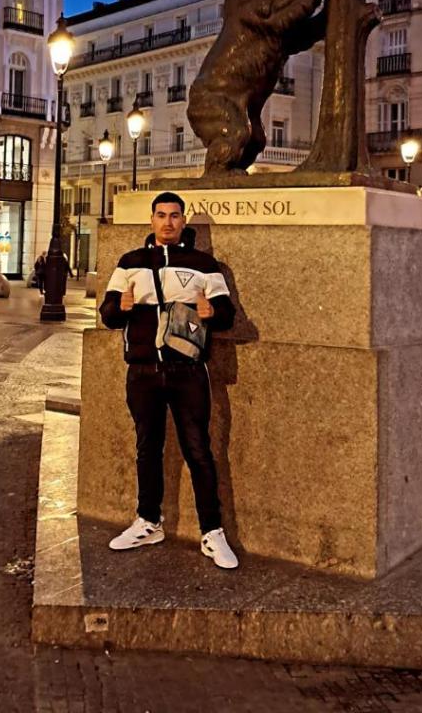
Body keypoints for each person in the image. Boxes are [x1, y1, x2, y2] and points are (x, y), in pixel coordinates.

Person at [99, 191, 239, 569]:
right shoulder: (130, 263)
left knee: (199, 450)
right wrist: (120, 306)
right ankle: (148, 521)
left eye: (175, 216)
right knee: (148, 447)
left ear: (183, 221)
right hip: (143, 372)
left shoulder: (204, 265)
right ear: (151, 220)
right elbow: (107, 314)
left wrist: (212, 311)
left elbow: (227, 314)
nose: (168, 222)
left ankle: (212, 532)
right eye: (161, 215)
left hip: (188, 372)